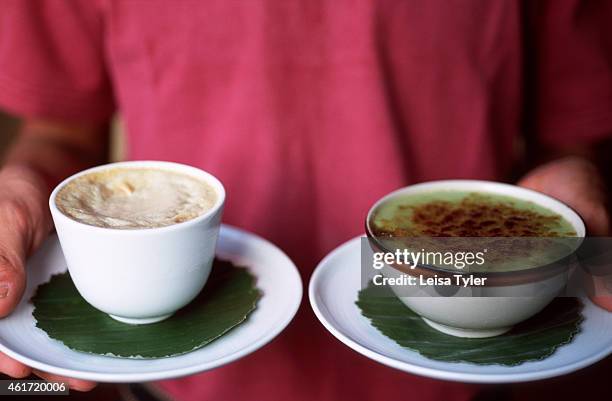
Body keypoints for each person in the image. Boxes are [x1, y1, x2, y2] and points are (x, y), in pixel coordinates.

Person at [0, 1, 611, 400]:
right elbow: (61, 129)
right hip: (175, 377)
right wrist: (22, 191)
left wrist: (579, 190)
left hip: (477, 371)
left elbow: (570, 137)